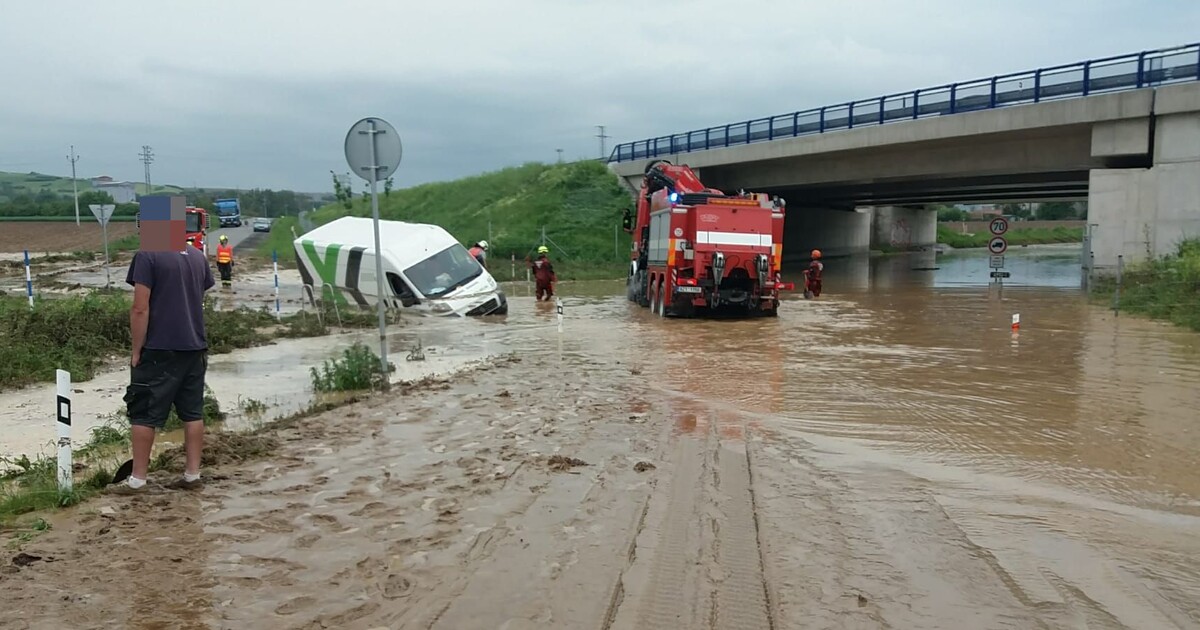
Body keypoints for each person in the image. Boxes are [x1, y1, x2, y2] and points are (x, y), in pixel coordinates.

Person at [113, 195, 216, 494]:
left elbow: (140, 308)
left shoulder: (148, 255)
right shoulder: (197, 256)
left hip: (160, 348)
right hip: (195, 347)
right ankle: (192, 475)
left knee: (144, 411)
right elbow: (198, 298)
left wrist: (136, 350)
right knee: (192, 412)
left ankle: (138, 480)